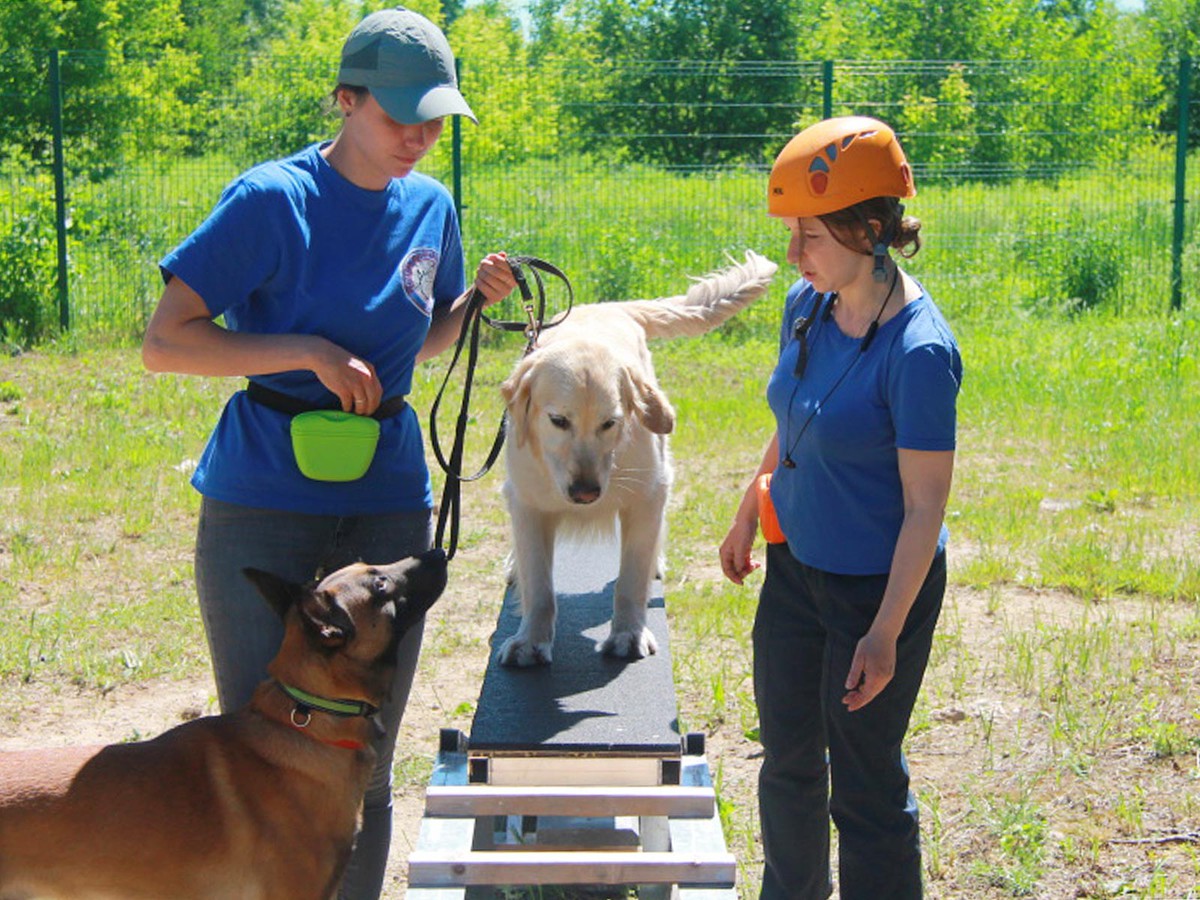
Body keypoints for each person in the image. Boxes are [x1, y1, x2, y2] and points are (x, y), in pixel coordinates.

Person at [142, 8, 516, 898]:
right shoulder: (273, 200)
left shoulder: (432, 206)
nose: (420, 138)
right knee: (260, 746)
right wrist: (304, 350)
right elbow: (167, 341)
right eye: (399, 117)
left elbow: (422, 342)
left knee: (366, 753)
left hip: (386, 498)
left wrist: (475, 305)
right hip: (261, 500)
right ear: (345, 100)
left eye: (433, 120)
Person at [719, 116, 963, 899]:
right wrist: (748, 511)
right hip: (795, 574)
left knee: (862, 784)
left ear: (868, 228)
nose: (794, 255)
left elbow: (924, 509)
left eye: (809, 236)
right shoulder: (807, 302)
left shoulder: (919, 351)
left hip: (875, 589)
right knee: (788, 762)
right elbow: (796, 418)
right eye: (792, 235)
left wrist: (885, 633)